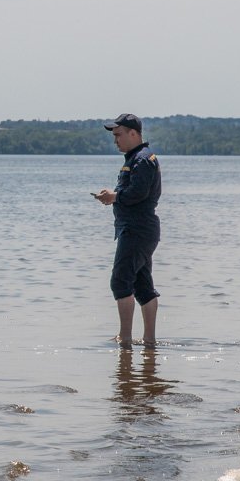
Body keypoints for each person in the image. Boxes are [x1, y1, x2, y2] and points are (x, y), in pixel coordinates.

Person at [95, 113, 161, 344]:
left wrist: (114, 197)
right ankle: (149, 341)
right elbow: (131, 192)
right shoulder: (135, 158)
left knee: (120, 281)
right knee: (143, 286)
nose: (115, 140)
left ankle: (125, 338)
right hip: (139, 229)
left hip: (137, 229)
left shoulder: (142, 159)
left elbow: (138, 193)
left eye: (119, 135)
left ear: (134, 133)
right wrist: (112, 195)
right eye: (114, 136)